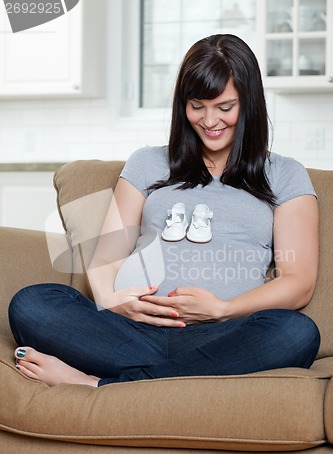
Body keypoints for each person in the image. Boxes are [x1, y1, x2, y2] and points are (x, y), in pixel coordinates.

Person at [9, 34, 320, 388]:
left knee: (296, 333)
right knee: (32, 303)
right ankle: (172, 378)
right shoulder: (147, 163)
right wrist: (113, 303)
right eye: (197, 105)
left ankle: (99, 385)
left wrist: (221, 309)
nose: (209, 120)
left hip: (221, 335)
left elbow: (298, 282)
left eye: (224, 106)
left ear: (249, 102)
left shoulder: (284, 174)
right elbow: (107, 256)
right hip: (129, 331)